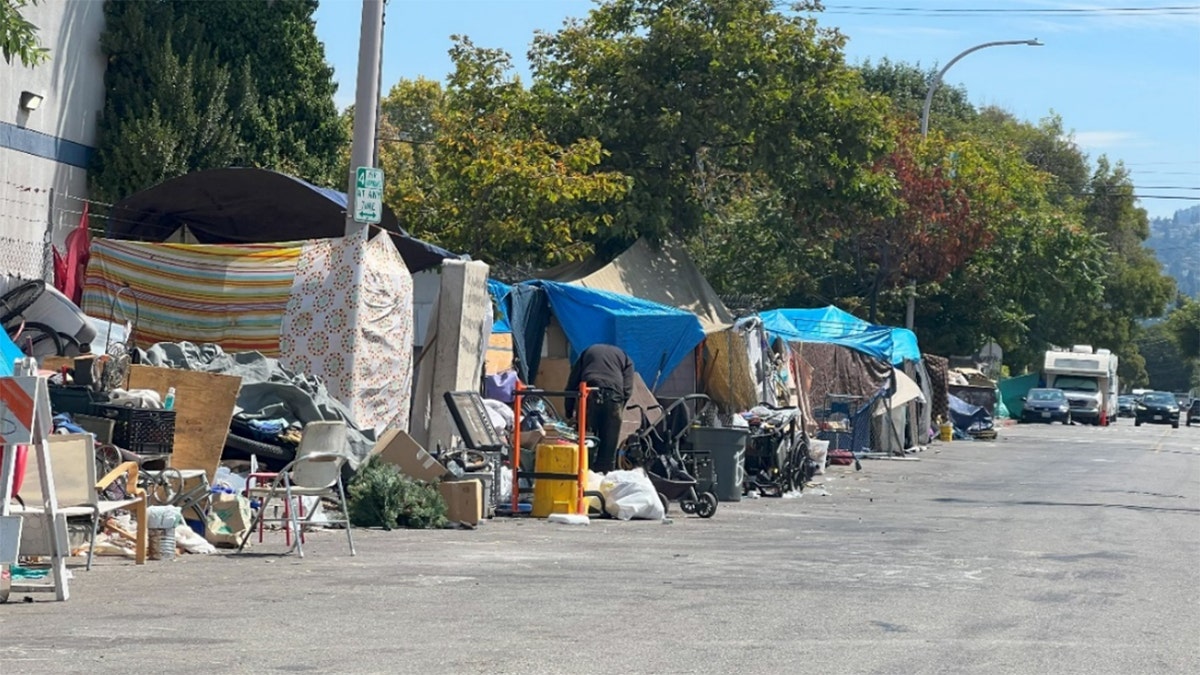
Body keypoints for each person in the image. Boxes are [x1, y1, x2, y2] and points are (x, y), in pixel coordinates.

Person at [564, 343, 635, 473]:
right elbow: (628, 390)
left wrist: (569, 411)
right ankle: (604, 481)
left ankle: (583, 478)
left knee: (587, 442)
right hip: (614, 397)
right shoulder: (626, 359)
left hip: (589, 395)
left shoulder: (588, 352)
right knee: (608, 448)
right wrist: (618, 408)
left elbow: (572, 384)